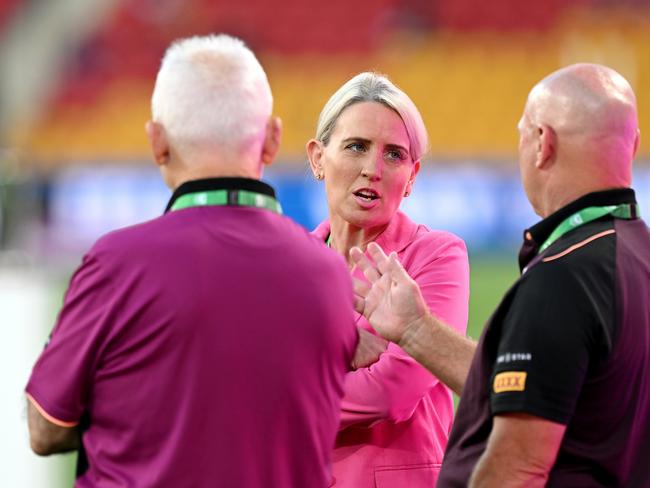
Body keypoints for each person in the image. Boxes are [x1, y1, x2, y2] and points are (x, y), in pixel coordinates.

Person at [25, 34, 358, 487]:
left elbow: (46, 427)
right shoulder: (329, 272)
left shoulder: (117, 263)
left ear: (157, 142)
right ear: (273, 140)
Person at [351, 63, 650, 488]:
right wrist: (417, 330)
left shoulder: (564, 278)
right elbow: (547, 389)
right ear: (633, 144)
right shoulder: (637, 256)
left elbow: (518, 468)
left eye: (522, 134)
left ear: (543, 143)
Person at [306, 72, 470, 487]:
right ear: (318, 158)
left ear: (412, 176)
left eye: (394, 154)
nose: (372, 169)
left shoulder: (437, 255)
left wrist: (283, 397)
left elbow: (389, 392)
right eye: (356, 146)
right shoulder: (289, 262)